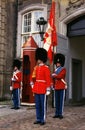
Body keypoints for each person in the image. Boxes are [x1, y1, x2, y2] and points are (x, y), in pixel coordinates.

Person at [30, 48, 51, 125]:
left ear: (41, 59)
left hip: (43, 88)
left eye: (39, 59)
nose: (38, 60)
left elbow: (48, 79)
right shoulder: (36, 68)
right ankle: (38, 118)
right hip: (36, 88)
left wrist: (48, 88)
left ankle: (43, 119)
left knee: (43, 105)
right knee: (38, 105)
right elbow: (32, 77)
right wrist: (32, 83)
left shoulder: (46, 68)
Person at [52, 53, 66, 119]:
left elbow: (61, 76)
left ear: (61, 63)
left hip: (61, 86)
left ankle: (60, 114)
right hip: (56, 87)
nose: (57, 64)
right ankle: (57, 113)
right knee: (57, 101)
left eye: (58, 63)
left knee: (61, 101)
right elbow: (53, 78)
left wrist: (55, 75)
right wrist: (53, 85)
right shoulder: (55, 70)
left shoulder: (63, 69)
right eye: (57, 63)